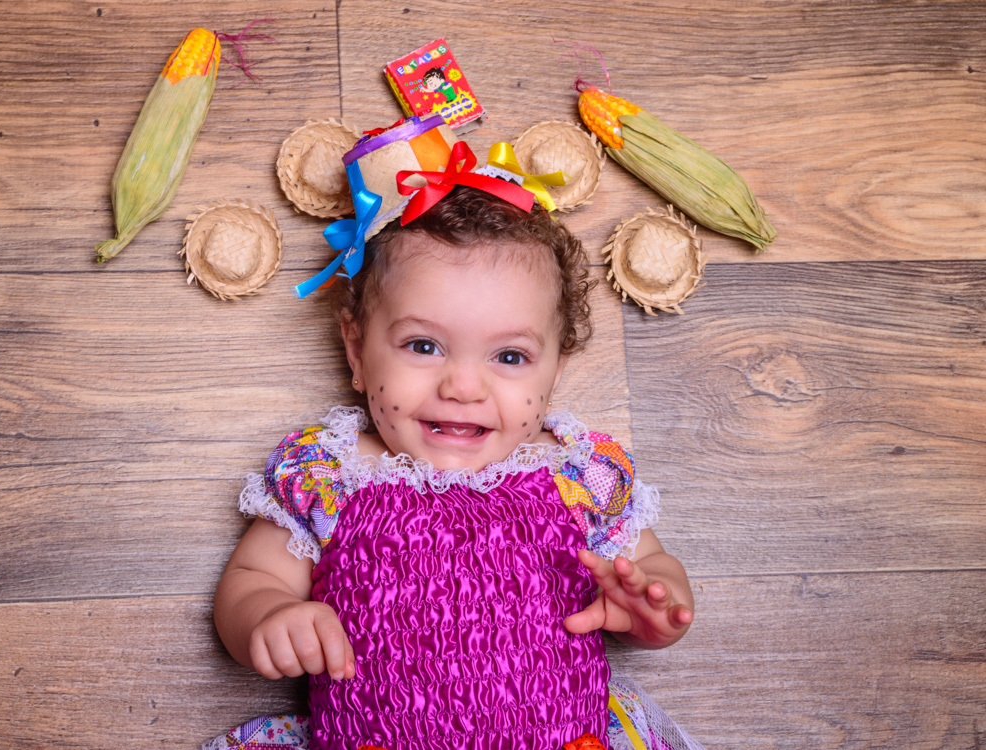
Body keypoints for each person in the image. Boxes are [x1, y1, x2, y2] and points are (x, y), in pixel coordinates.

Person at [206, 181, 703, 750]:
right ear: (356, 349)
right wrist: (268, 618)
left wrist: (653, 605)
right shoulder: (330, 474)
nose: (463, 387)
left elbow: (652, 563)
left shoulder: (577, 475)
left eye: (510, 357)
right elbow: (254, 580)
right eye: (423, 346)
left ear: (556, 370)